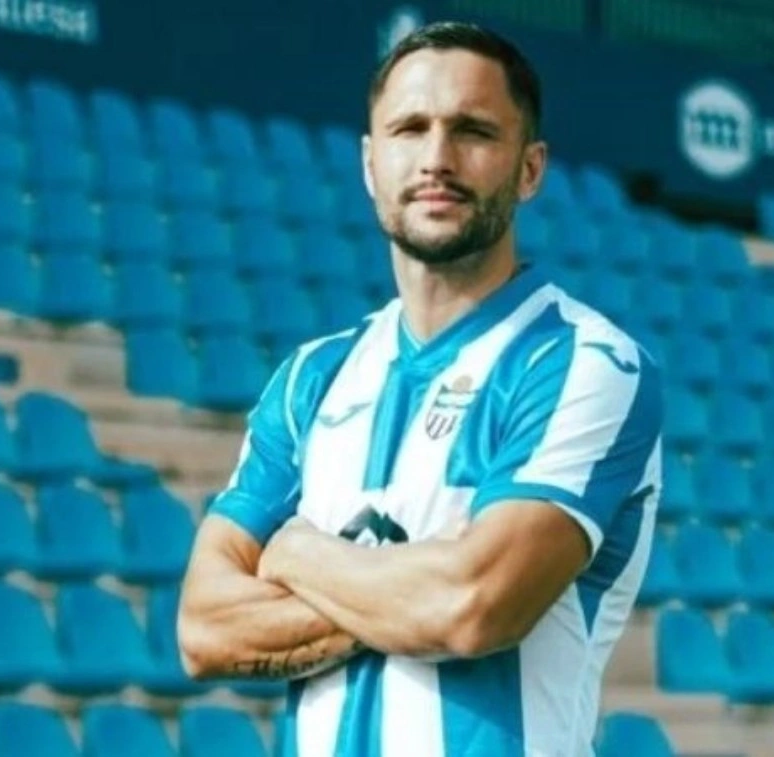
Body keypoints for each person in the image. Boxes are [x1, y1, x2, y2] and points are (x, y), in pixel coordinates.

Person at [177, 20, 663, 757]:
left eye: (473, 131)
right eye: (409, 129)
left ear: (530, 169)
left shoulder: (583, 364)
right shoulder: (311, 377)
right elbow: (203, 629)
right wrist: (412, 590)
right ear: (371, 164)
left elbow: (472, 606)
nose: (437, 158)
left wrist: (298, 555)